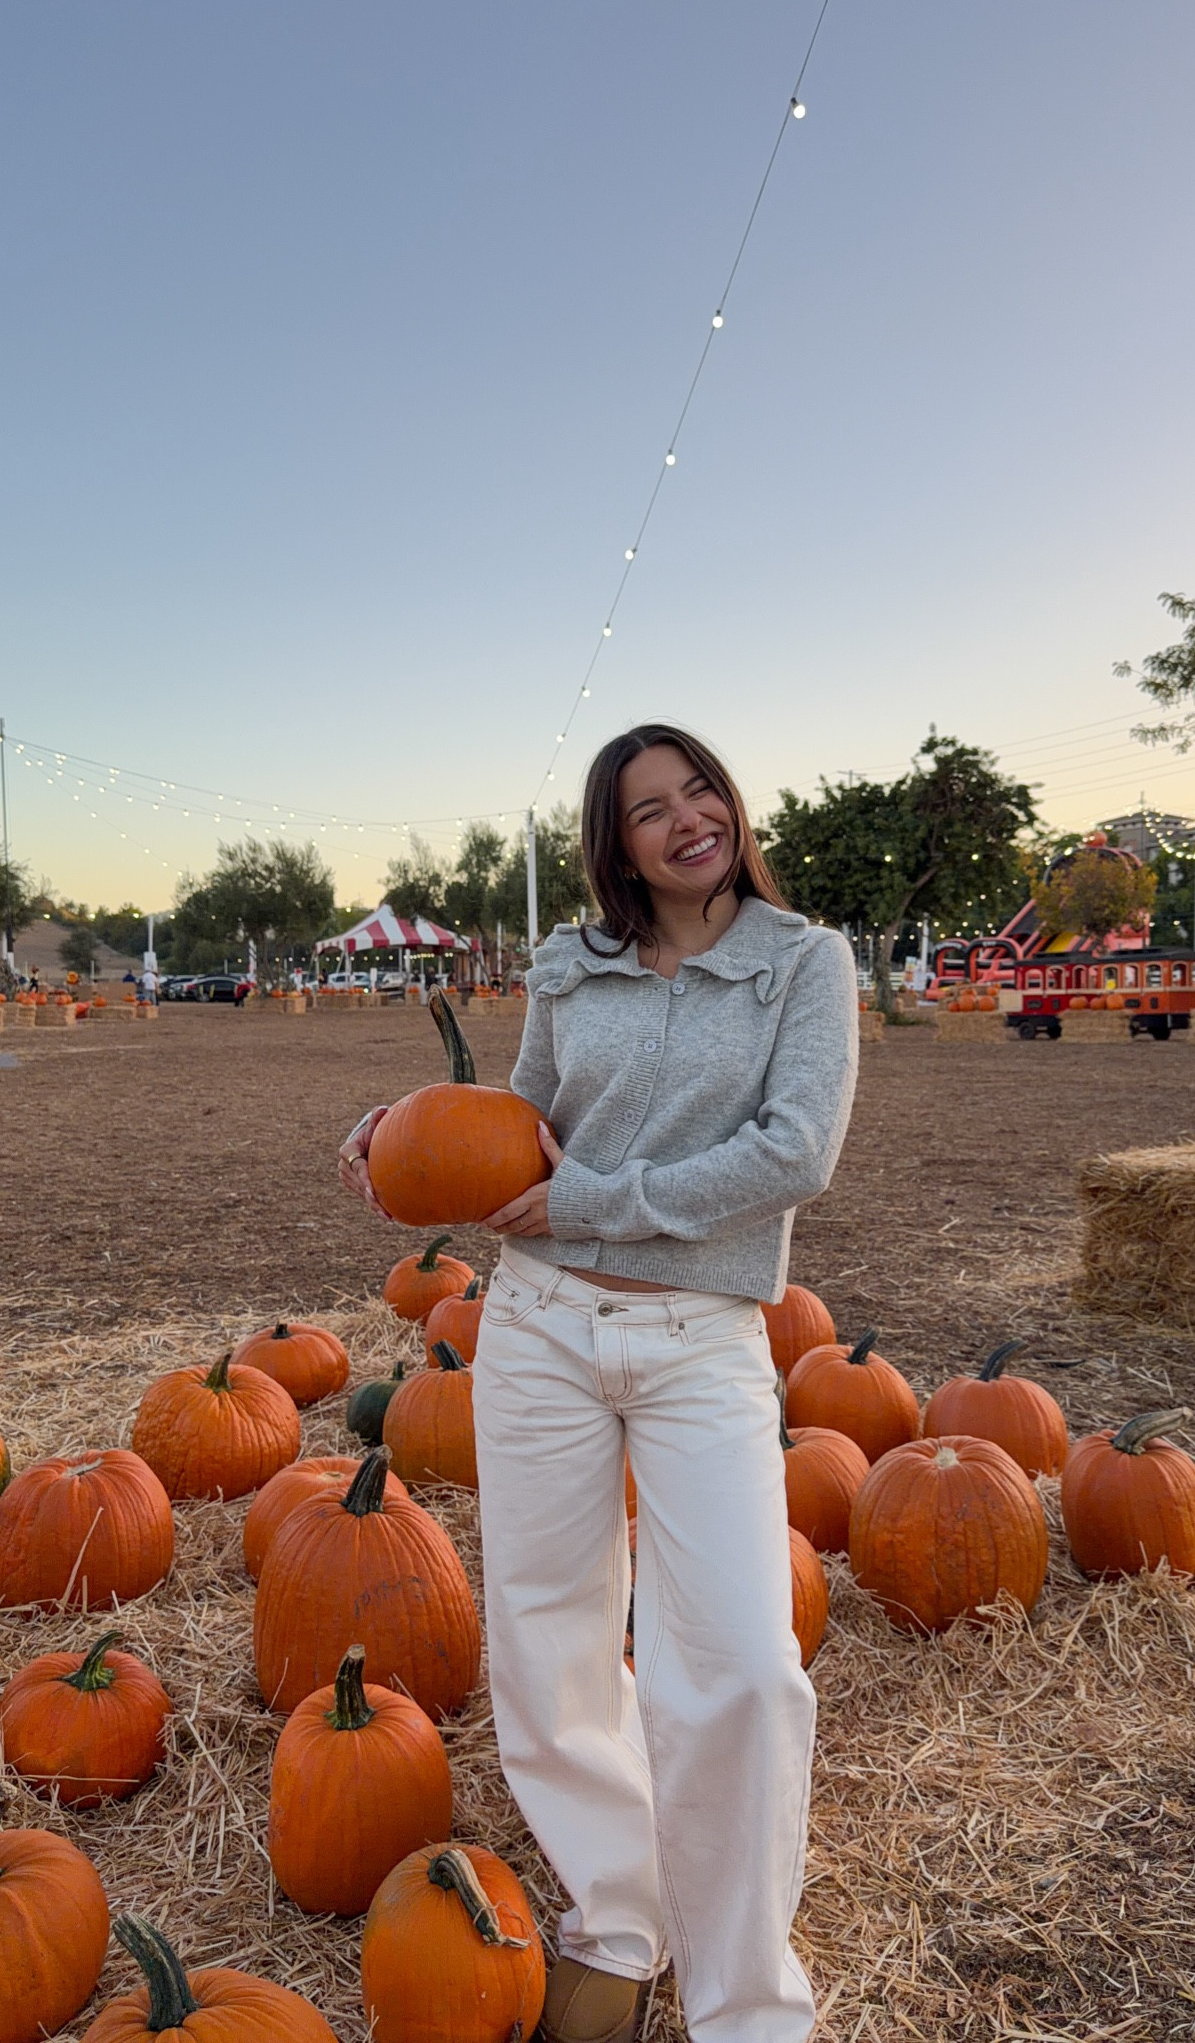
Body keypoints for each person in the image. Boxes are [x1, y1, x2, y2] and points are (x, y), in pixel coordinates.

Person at [339, 724, 858, 2043]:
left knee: (739, 1663)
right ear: (614, 845)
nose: (688, 818)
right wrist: (401, 1139)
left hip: (699, 1341)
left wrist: (593, 1203)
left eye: (700, 791)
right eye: (648, 809)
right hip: (541, 1330)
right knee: (548, 1636)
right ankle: (621, 1916)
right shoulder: (574, 964)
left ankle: (746, 1999)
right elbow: (516, 1128)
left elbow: (791, 1155)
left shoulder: (802, 962)